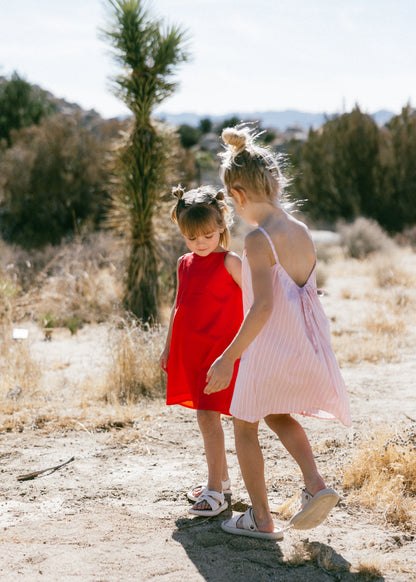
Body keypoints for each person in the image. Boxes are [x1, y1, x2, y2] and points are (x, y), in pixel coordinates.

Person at [205, 126, 351, 540]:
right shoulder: (301, 231)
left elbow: (263, 306)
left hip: (266, 350)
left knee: (243, 424)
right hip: (303, 346)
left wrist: (229, 356)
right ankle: (316, 484)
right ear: (275, 182)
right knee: (276, 413)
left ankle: (262, 518)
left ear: (235, 194)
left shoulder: (257, 239)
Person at [160, 185, 243, 517]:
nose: (200, 243)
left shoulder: (231, 261)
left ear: (222, 225)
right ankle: (220, 480)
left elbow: (257, 299)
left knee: (208, 417)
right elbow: (177, 306)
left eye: (207, 235)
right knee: (206, 416)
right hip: (192, 349)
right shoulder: (184, 263)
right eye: (192, 238)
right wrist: (168, 346)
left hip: (222, 353)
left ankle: (215, 492)